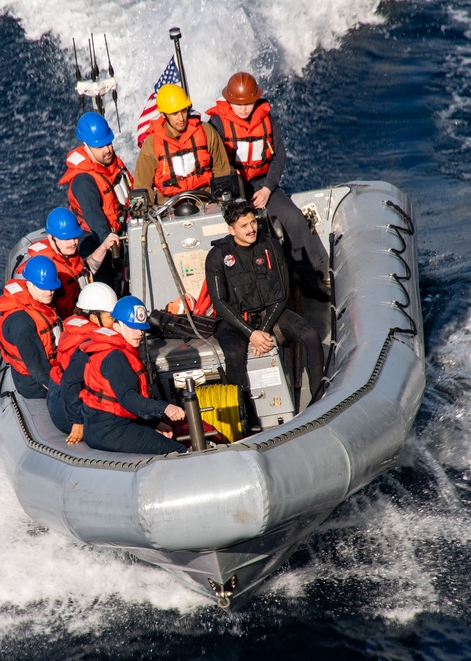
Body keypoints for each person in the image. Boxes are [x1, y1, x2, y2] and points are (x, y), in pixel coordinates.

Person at [207, 72, 329, 301]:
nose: (243, 109)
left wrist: (267, 188)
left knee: (294, 219)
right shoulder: (217, 125)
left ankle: (309, 278)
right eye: (238, 104)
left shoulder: (267, 120)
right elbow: (214, 161)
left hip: (262, 184)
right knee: (250, 230)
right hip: (234, 189)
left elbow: (279, 156)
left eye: (248, 103)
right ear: (229, 101)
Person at [204, 201, 324, 413]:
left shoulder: (270, 245)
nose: (251, 229)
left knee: (311, 334)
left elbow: (282, 293)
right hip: (235, 321)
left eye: (253, 222)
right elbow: (220, 303)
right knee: (233, 354)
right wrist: (251, 334)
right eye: (244, 226)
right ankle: (244, 414)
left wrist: (264, 330)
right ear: (231, 230)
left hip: (271, 314)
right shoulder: (217, 257)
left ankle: (319, 401)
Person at [80, 296, 188, 455]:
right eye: (133, 328)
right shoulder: (115, 357)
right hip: (110, 429)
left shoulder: (119, 348)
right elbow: (127, 398)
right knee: (177, 450)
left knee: (169, 437)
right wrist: (164, 408)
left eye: (141, 328)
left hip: (107, 423)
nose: (139, 333)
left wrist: (154, 424)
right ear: (117, 327)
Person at [58, 112, 130, 288]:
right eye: (100, 147)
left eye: (108, 143)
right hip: (94, 237)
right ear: (86, 147)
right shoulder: (84, 180)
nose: (107, 150)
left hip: (120, 230)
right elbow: (92, 213)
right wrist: (106, 238)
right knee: (105, 284)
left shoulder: (113, 164)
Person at [132, 83, 233, 205]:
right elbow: (141, 186)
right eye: (174, 113)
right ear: (163, 115)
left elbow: (221, 171)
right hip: (169, 209)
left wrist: (221, 201)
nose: (181, 118)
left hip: (206, 202)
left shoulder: (206, 131)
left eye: (184, 111)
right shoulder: (151, 144)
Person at [45, 282, 118, 444]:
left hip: (58, 397)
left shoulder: (77, 328)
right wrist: (77, 420)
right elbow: (70, 382)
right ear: (94, 317)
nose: (114, 322)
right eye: (110, 317)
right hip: (68, 410)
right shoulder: (87, 344)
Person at [19, 207, 119, 317]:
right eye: (66, 239)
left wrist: (104, 247)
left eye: (75, 237)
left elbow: (86, 270)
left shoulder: (70, 255)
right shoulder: (44, 270)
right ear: (51, 238)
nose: (72, 243)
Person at [0, 256, 62, 400]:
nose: (49, 292)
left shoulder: (39, 300)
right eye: (43, 287)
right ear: (29, 285)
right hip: (34, 385)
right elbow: (37, 368)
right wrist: (63, 391)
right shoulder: (21, 323)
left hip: (54, 367)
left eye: (51, 287)